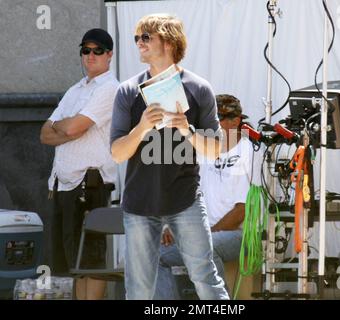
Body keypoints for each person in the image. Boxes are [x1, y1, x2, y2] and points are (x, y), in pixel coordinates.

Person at [110, 13, 229, 300]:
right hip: (139, 202)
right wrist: (141, 128)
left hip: (184, 198)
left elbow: (215, 149)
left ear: (169, 41)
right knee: (138, 288)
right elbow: (116, 154)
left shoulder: (199, 88)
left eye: (146, 37)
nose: (139, 43)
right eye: (137, 37)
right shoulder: (128, 91)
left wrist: (187, 130)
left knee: (205, 277)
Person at [40, 28, 119, 300]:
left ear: (110, 54)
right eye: (86, 50)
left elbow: (72, 129)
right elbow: (44, 133)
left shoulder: (110, 88)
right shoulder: (75, 89)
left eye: (98, 50)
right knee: (74, 262)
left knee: (92, 260)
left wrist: (65, 125)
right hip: (64, 184)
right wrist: (69, 125)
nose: (91, 55)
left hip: (91, 184)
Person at [155, 94, 259, 299]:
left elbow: (242, 210)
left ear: (236, 121)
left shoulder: (250, 151)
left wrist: (203, 234)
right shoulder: (202, 151)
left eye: (217, 117)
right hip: (203, 234)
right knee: (155, 254)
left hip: (241, 235)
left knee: (206, 247)